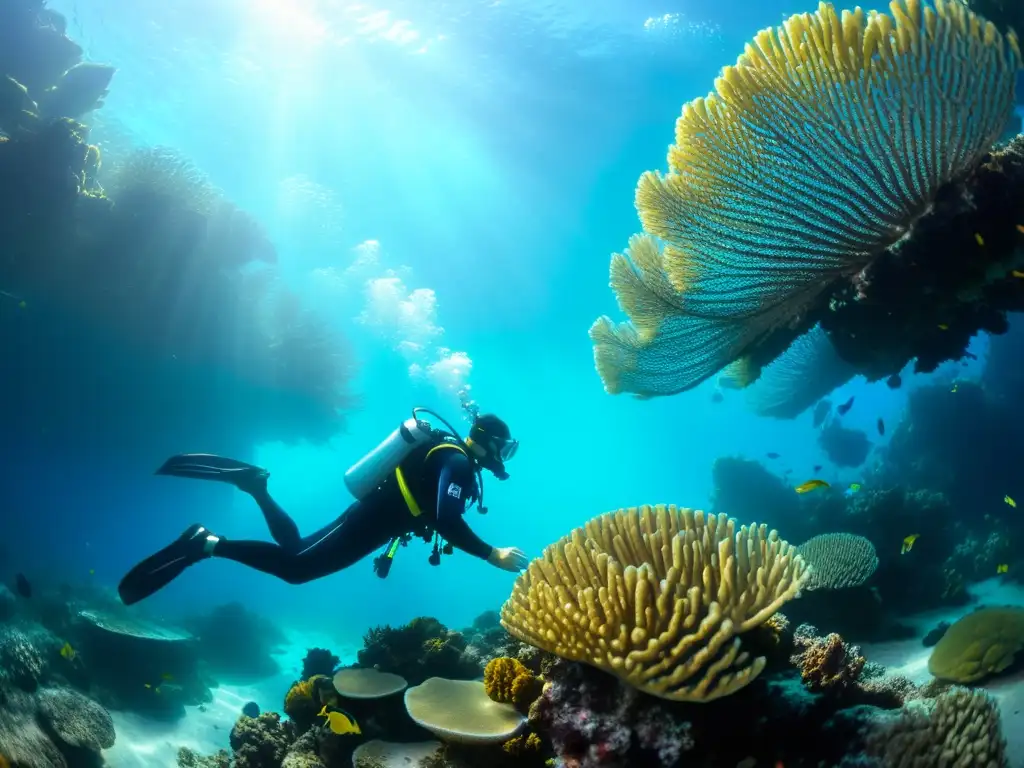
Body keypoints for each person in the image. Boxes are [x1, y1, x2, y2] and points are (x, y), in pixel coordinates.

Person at [118, 412, 529, 605]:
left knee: (295, 549)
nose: (503, 457)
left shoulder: (450, 457)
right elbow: (444, 518)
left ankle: (256, 487)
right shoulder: (456, 462)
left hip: (374, 523)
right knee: (296, 568)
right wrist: (491, 554)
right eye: (504, 448)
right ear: (488, 440)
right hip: (367, 523)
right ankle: (206, 543)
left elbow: (423, 512)